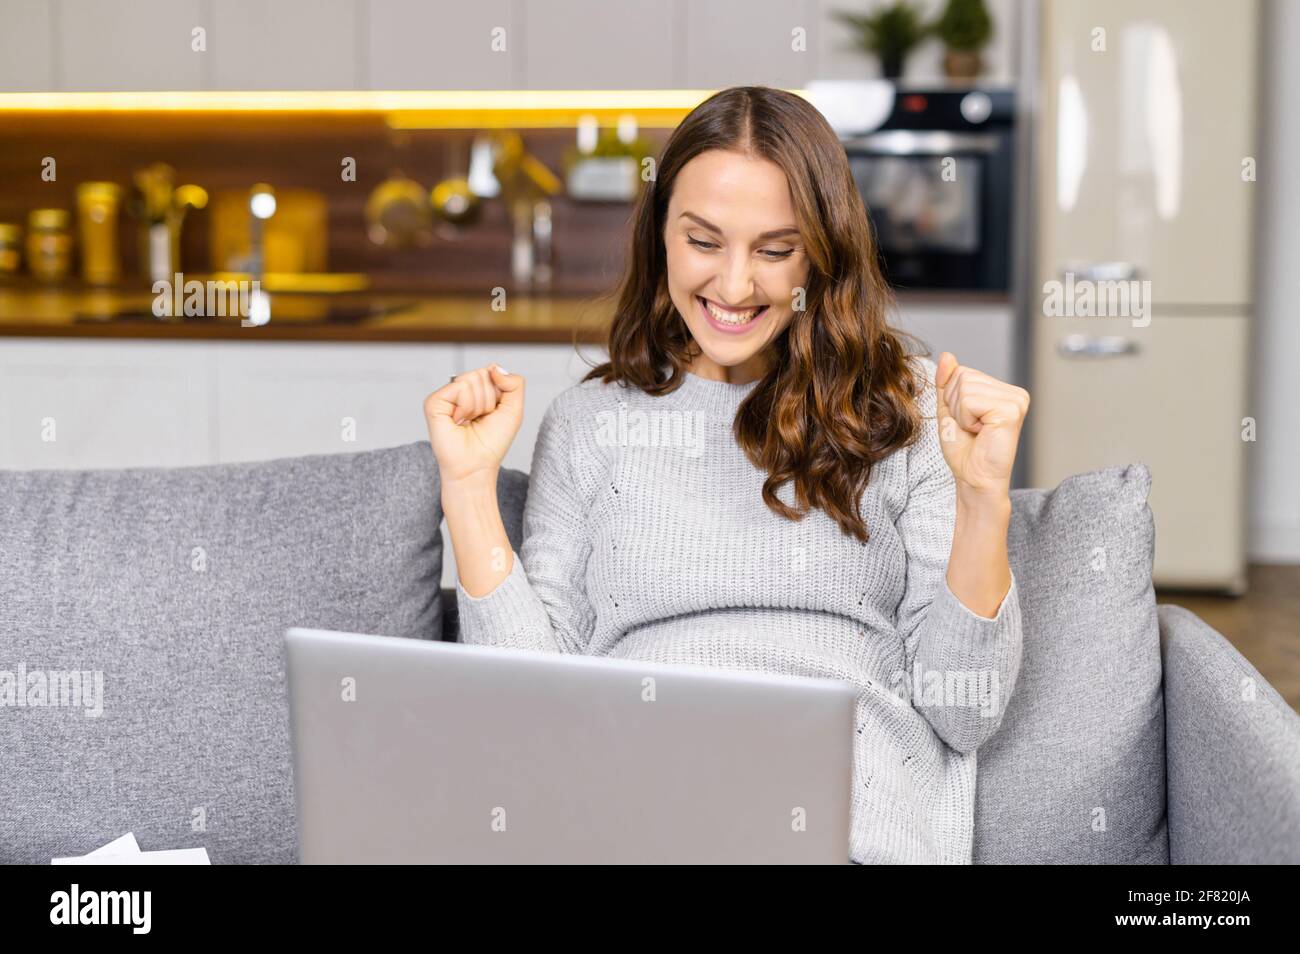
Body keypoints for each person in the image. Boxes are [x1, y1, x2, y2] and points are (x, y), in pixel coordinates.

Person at [423, 86, 1030, 864]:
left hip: (844, 818)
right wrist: (469, 489)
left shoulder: (911, 411)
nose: (736, 287)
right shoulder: (590, 424)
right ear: (661, 238)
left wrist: (984, 501)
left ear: (821, 251)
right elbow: (527, 706)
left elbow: (965, 714)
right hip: (634, 807)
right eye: (704, 242)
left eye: (776, 251)